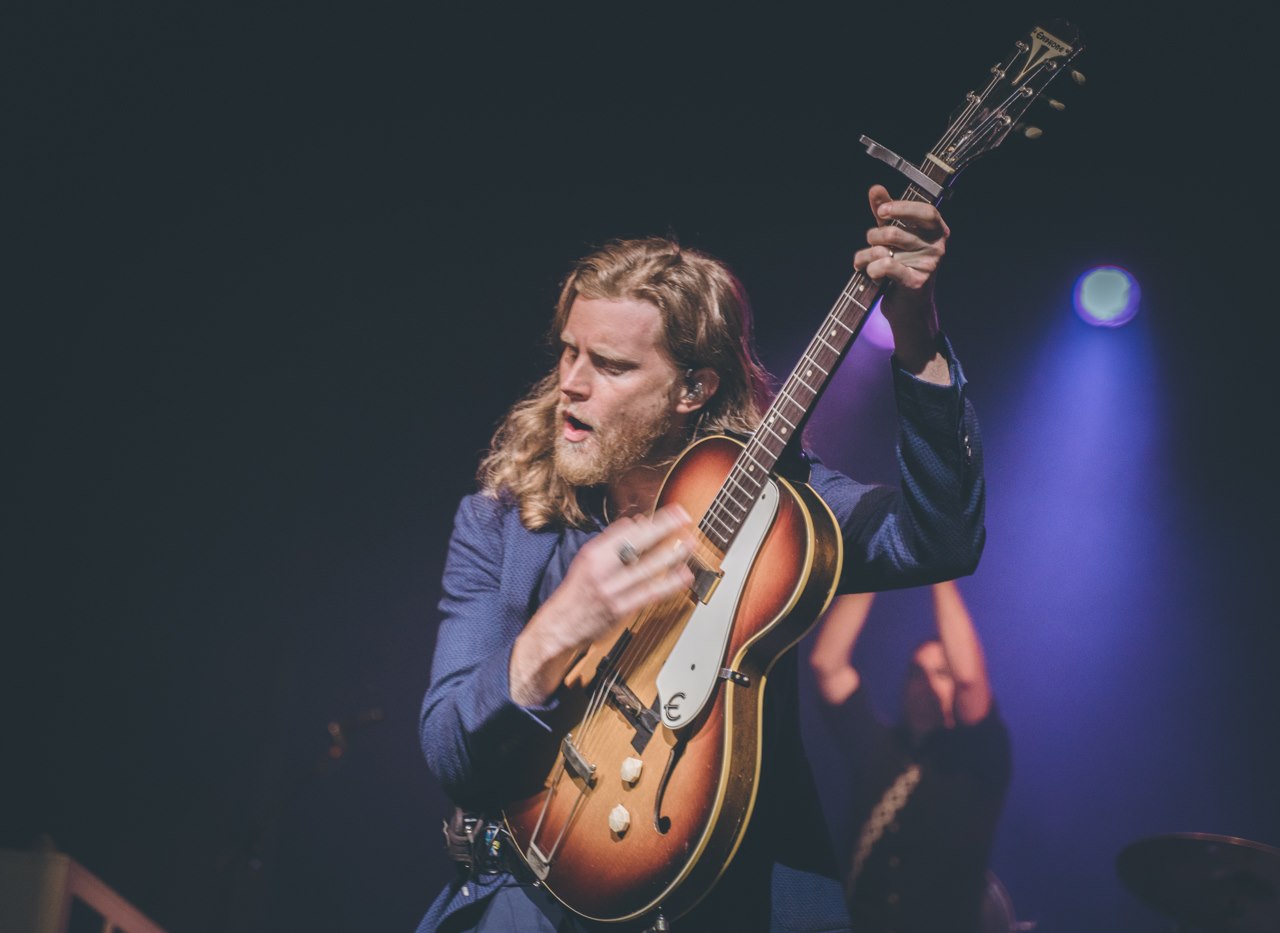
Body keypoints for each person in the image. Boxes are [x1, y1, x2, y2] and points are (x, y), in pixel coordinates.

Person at [417, 184, 986, 933]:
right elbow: (451, 749)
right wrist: (556, 631)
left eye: (612, 365)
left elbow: (937, 537)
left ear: (694, 387)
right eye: (568, 351)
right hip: (539, 900)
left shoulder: (774, 508)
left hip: (732, 899)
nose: (571, 384)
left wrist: (914, 331)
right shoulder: (500, 522)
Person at [807, 581, 1011, 933]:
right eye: (917, 672)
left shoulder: (980, 758)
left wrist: (939, 570)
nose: (926, 683)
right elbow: (827, 665)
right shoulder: (879, 745)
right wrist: (874, 568)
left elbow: (969, 680)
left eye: (940, 673)